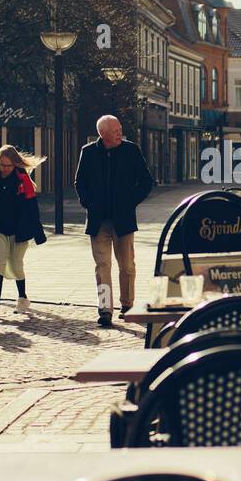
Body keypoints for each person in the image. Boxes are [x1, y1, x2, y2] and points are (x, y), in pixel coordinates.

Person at [74, 115, 155, 327]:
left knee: (127, 266)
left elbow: (147, 181)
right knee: (102, 267)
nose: (120, 133)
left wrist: (131, 202)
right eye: (116, 130)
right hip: (98, 220)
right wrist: (88, 203)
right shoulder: (88, 152)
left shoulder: (131, 150)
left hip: (123, 219)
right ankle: (104, 310)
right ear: (104, 134)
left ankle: (127, 305)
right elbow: (79, 182)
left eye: (120, 129)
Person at [0, 145, 46, 321]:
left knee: (16, 264)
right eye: (2, 165)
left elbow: (32, 208)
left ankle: (22, 298)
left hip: (19, 230)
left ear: (15, 165)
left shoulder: (23, 181)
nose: (5, 169)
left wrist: (36, 231)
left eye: (9, 165)